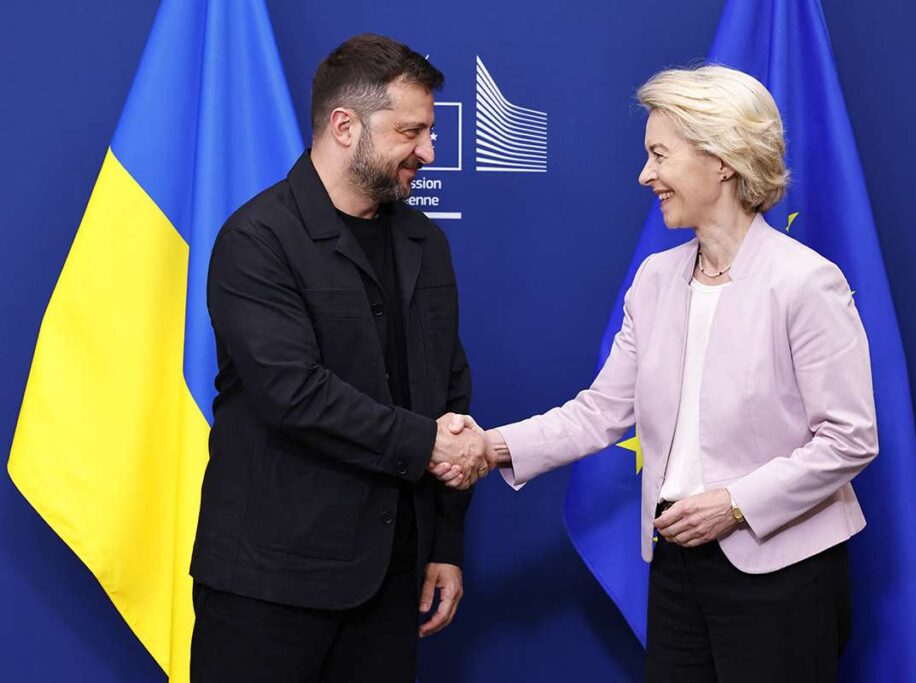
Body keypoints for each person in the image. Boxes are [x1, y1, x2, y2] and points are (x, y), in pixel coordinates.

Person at [439, 65, 878, 682]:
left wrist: (736, 504)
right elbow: (601, 412)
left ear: (722, 159)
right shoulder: (655, 280)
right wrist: (491, 446)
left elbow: (849, 437)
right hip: (675, 564)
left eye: (658, 155)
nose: (646, 175)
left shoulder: (806, 283)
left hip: (784, 570)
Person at [189, 34, 490, 682]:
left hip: (390, 582)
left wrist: (443, 541)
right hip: (268, 586)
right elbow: (294, 393)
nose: (429, 152)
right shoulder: (256, 238)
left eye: (430, 131)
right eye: (411, 131)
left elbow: (449, 389)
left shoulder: (425, 243)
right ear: (344, 126)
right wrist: (431, 444)